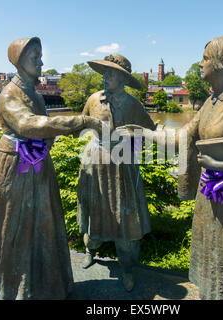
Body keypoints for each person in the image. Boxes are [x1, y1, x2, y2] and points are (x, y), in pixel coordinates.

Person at [120, 36, 223, 299]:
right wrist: (141, 133)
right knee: (216, 263)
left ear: (220, 63)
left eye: (206, 58)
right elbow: (182, 137)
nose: (201, 63)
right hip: (213, 196)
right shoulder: (211, 102)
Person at [0, 37, 102, 300]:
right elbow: (28, 125)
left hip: (40, 167)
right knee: (12, 227)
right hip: (14, 168)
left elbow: (45, 131)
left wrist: (56, 134)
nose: (41, 62)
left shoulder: (35, 94)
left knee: (43, 225)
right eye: (35, 57)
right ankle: (9, 291)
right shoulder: (9, 94)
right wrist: (80, 121)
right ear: (19, 61)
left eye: (40, 56)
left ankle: (44, 286)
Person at [77, 54, 156, 291]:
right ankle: (90, 249)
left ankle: (127, 267)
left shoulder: (133, 105)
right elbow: (81, 123)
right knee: (95, 214)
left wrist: (135, 139)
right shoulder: (93, 99)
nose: (105, 76)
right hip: (95, 162)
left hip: (123, 165)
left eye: (110, 73)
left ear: (122, 78)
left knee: (126, 220)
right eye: (104, 72)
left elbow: (151, 131)